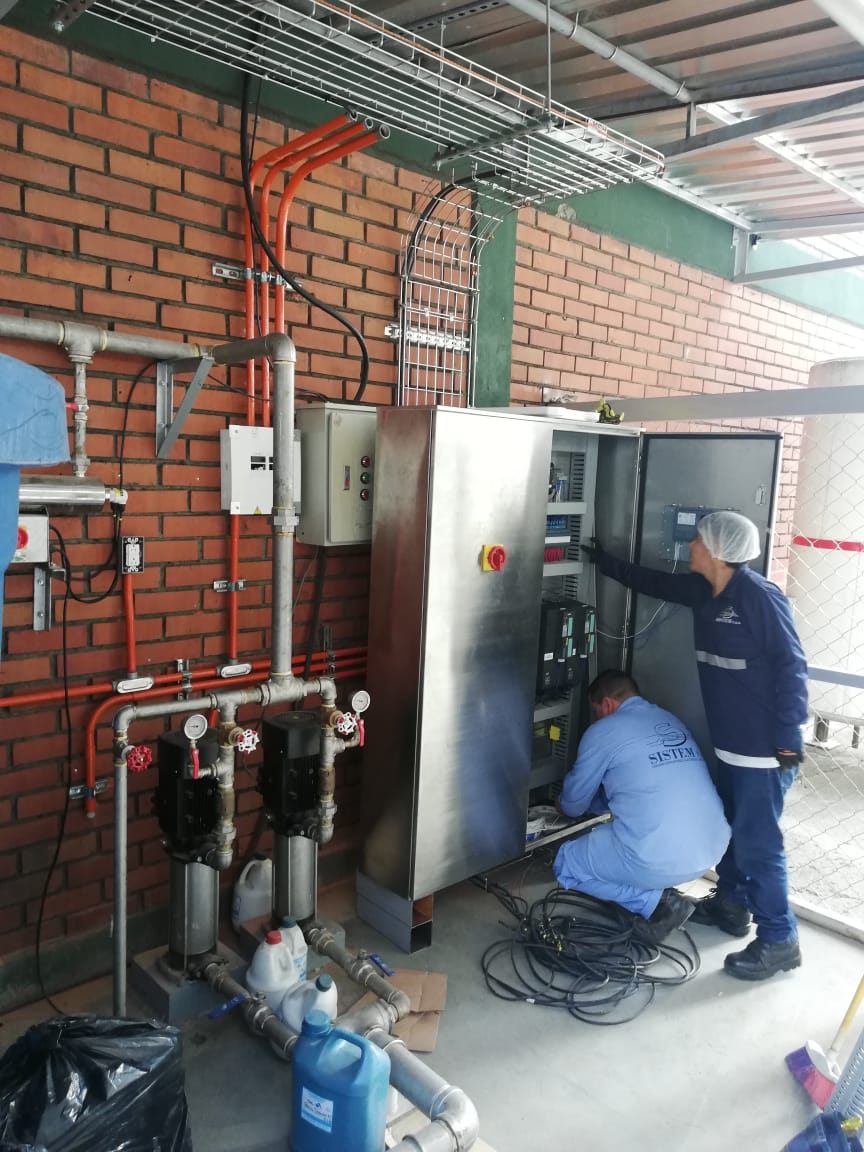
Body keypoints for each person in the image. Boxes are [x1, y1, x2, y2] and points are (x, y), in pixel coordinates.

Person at [583, 510, 808, 981]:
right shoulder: (705, 591)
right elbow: (651, 581)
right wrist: (605, 563)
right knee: (728, 828)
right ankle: (731, 905)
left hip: (765, 753)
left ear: (719, 551)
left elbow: (791, 666)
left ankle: (779, 938)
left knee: (759, 845)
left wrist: (787, 741)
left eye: (698, 541)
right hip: (732, 748)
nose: (691, 547)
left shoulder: (759, 598)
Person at [554, 669, 731, 945]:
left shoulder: (602, 731)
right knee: (629, 840)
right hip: (709, 851)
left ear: (608, 705)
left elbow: (573, 806)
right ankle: (659, 886)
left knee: (567, 862)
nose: (596, 716)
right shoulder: (669, 719)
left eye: (596, 710)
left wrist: (558, 803)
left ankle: (661, 903)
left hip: (655, 857)